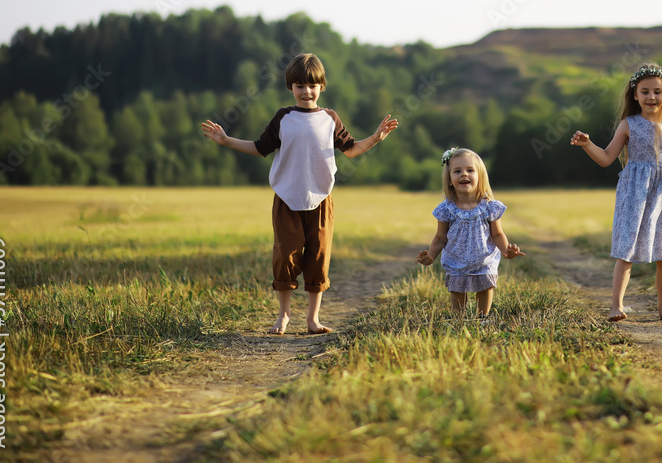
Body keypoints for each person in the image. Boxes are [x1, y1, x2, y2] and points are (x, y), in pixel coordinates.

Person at [201, 53, 398, 335]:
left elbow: (352, 149)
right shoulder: (284, 117)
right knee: (285, 256)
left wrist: (376, 137)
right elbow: (260, 148)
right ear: (290, 88)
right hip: (286, 198)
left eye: (312, 85)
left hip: (320, 199)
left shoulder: (330, 118)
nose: (306, 91)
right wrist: (226, 140)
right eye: (299, 86)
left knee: (318, 257)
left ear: (322, 87)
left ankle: (313, 319)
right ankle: (283, 316)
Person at [570, 64, 662, 322]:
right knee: (626, 249)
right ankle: (616, 306)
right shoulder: (629, 125)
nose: (651, 97)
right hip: (634, 193)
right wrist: (587, 145)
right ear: (635, 95)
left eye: (657, 91)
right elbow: (607, 158)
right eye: (645, 92)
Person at [416, 147, 524, 316]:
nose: (464, 174)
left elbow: (497, 234)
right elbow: (440, 237)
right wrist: (430, 256)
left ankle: (483, 318)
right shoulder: (446, 208)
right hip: (456, 259)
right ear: (450, 179)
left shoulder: (489, 206)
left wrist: (506, 250)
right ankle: (459, 320)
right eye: (457, 171)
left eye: (470, 170)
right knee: (458, 291)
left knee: (485, 287)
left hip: (484, 259)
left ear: (480, 177)